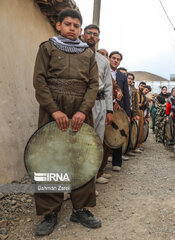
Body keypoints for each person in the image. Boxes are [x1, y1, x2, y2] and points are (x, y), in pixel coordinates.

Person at [32, 9, 101, 236]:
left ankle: (80, 209)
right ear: (59, 26)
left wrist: (83, 111)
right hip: (52, 111)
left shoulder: (88, 54)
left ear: (80, 30)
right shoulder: (47, 48)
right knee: (50, 158)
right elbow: (39, 82)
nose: (72, 29)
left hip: (81, 113)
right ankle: (50, 211)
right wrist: (54, 111)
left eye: (76, 26)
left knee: (82, 157)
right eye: (68, 24)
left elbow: (93, 85)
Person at [82, 24, 113, 185]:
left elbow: (108, 86)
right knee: (79, 144)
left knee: (96, 143)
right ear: (83, 35)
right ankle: (72, 186)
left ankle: (90, 185)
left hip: (100, 104)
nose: (92, 36)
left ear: (98, 39)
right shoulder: (76, 54)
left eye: (95, 34)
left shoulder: (103, 61)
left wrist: (109, 110)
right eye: (89, 33)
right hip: (81, 103)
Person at [107, 51, 130, 170]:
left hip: (119, 110)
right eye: (114, 58)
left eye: (118, 59)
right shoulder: (103, 71)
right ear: (109, 59)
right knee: (105, 134)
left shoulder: (122, 76)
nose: (116, 60)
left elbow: (126, 94)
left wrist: (128, 114)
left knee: (119, 133)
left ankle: (117, 162)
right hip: (106, 107)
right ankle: (103, 163)